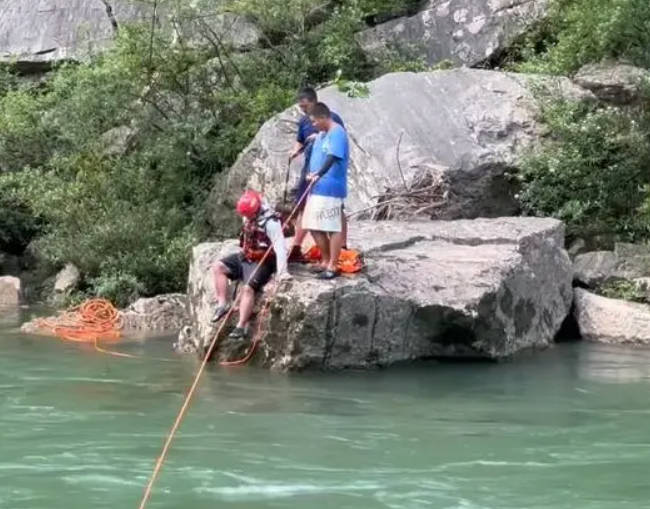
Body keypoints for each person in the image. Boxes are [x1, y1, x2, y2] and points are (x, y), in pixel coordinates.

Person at [210, 190, 291, 339]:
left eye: (248, 215)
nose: (245, 218)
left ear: (255, 210)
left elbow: (280, 248)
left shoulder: (271, 223)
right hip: (246, 256)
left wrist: (282, 273)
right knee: (218, 267)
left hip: (263, 261)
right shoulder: (249, 216)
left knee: (248, 289)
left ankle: (241, 326)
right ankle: (222, 304)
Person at [288, 87, 346, 259]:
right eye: (301, 107)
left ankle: (341, 246)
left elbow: (336, 147)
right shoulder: (304, 121)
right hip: (310, 168)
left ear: (314, 102)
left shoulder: (331, 120)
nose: (304, 110)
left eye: (305, 106)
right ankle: (297, 248)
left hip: (327, 173)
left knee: (336, 209)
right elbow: (300, 141)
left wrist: (320, 136)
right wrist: (295, 151)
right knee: (303, 206)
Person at [302, 102, 349, 280]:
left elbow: (333, 156)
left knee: (331, 225)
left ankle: (333, 265)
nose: (313, 125)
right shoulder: (322, 134)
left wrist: (319, 173)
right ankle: (325, 259)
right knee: (312, 224)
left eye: (314, 121)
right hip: (318, 187)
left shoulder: (337, 133)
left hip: (331, 186)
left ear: (323, 117)